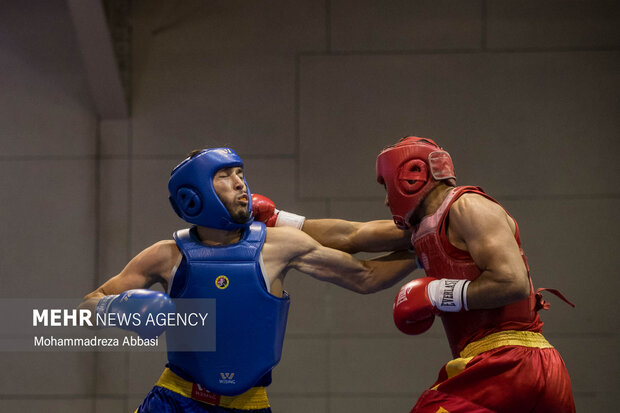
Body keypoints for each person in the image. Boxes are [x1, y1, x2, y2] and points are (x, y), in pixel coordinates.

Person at [79, 147, 415, 413]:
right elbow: (88, 305)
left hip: (250, 404)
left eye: (240, 173)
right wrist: (119, 308)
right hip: (176, 401)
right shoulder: (167, 255)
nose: (240, 182)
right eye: (224, 176)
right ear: (192, 195)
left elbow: (366, 277)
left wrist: (423, 248)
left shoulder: (280, 245)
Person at [254, 136, 576, 413]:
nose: (385, 199)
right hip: (518, 369)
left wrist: (439, 294)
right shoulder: (427, 230)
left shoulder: (468, 207)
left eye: (385, 185)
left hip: (508, 364)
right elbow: (353, 236)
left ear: (412, 176)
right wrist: (277, 219)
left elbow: (513, 281)